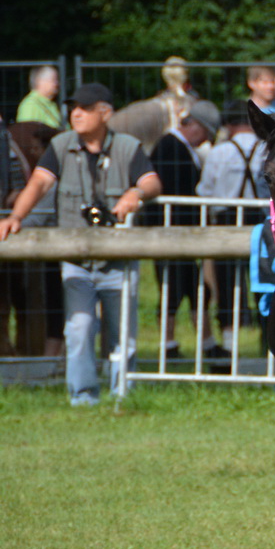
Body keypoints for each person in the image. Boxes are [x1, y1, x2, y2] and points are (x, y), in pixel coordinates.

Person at [0, 83, 163, 405]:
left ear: (106, 113)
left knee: (123, 333)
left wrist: (136, 193)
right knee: (79, 327)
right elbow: (40, 182)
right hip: (75, 258)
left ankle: (122, 395)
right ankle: (83, 397)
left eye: (85, 108)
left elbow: (152, 182)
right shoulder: (61, 145)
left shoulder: (128, 147)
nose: (76, 113)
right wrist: (15, 217)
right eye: (73, 107)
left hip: (120, 257)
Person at [146, 99, 222, 357]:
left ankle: (205, 343)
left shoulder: (177, 147)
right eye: (206, 134)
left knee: (194, 288)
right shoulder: (170, 147)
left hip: (182, 235)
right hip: (172, 234)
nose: (205, 141)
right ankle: (169, 345)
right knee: (173, 289)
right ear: (196, 126)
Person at [197, 99, 268, 351]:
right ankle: (267, 338)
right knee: (265, 278)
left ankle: (229, 346)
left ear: (228, 125)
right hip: (260, 219)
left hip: (226, 220)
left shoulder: (219, 152)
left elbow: (205, 191)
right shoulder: (265, 148)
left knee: (227, 283)